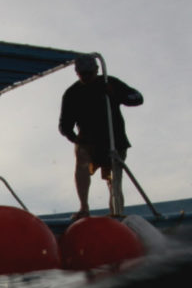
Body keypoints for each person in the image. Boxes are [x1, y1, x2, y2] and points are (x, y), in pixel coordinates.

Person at [58, 55, 143, 219]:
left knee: (114, 179)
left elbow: (138, 98)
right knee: (81, 160)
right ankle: (84, 208)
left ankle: (116, 212)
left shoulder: (110, 83)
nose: (87, 77)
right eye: (83, 74)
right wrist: (75, 139)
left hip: (114, 141)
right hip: (88, 142)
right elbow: (64, 125)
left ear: (97, 70)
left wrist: (117, 95)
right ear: (77, 73)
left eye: (90, 73)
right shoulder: (72, 93)